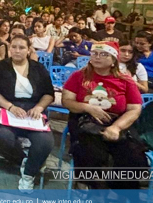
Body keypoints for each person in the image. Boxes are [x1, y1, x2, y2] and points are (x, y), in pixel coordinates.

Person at [61, 41, 148, 190]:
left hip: (118, 121)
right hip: (85, 119)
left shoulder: (126, 80)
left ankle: (122, 193)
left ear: (114, 59)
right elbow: (67, 101)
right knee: (90, 151)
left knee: (132, 156)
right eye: (94, 53)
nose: (97, 57)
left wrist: (116, 127)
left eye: (103, 54)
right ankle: (89, 186)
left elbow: (134, 109)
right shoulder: (79, 76)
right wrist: (87, 107)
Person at [0, 34, 55, 190]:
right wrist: (10, 107)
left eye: (21, 47)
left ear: (28, 49)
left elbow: (49, 93)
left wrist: (39, 107)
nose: (17, 51)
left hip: (34, 108)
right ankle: (28, 161)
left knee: (45, 142)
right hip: (6, 107)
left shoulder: (38, 68)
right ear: (10, 48)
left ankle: (28, 175)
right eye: (14, 47)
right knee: (4, 137)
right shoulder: (0, 66)